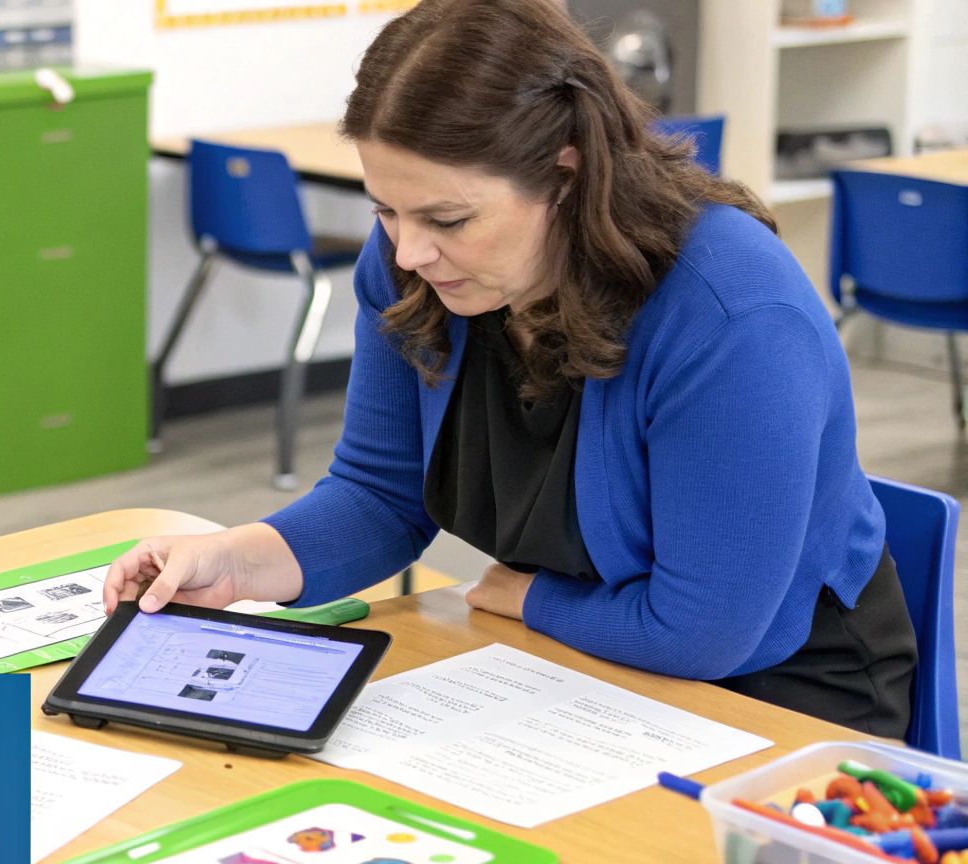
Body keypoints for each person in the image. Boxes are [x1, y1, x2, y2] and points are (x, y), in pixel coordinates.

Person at [106, 0, 916, 737]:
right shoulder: (415, 271)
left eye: (447, 218)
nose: (409, 251)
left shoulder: (732, 314)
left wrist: (533, 598)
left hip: (780, 702)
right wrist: (241, 560)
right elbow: (381, 498)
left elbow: (704, 631)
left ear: (565, 177)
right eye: (385, 210)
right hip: (571, 665)